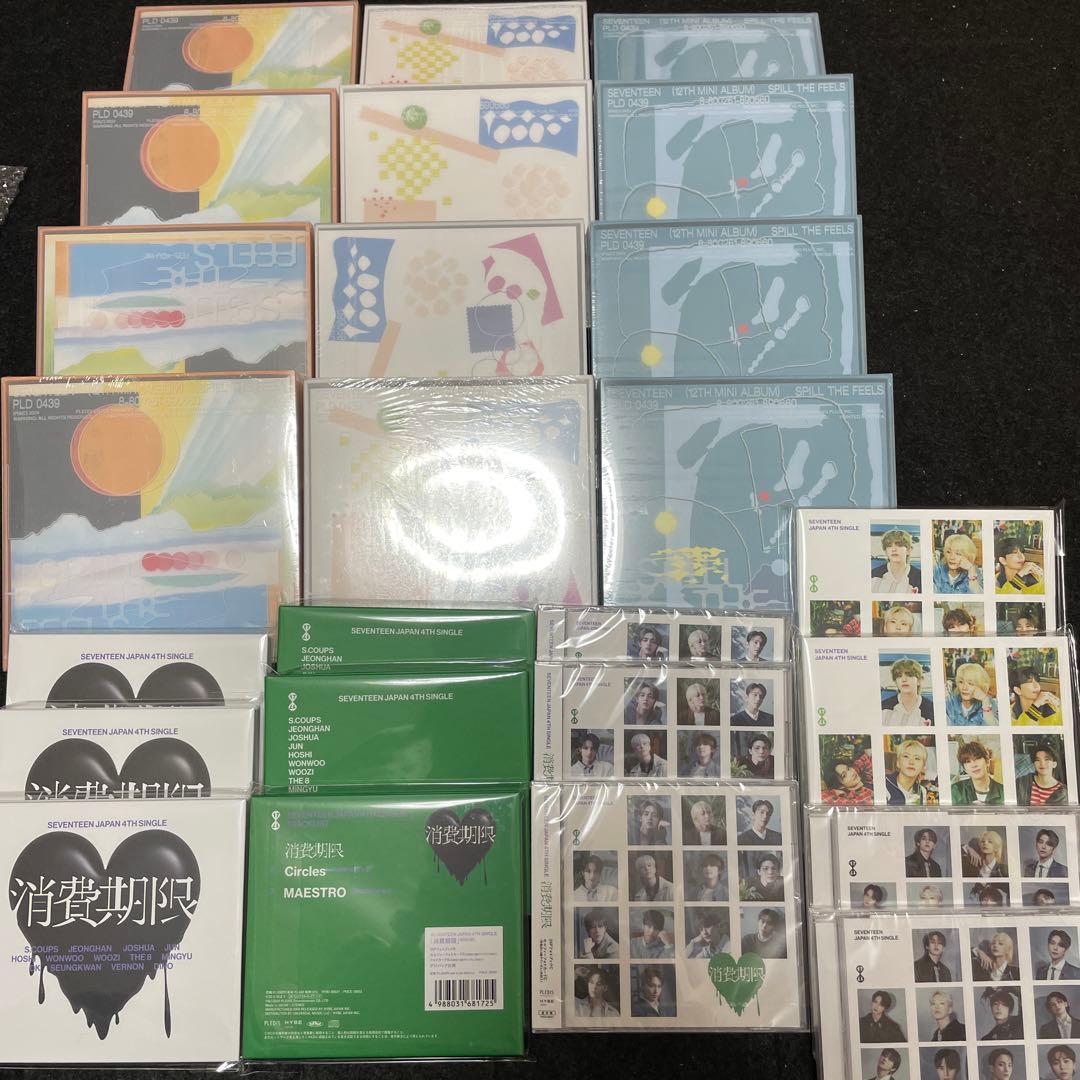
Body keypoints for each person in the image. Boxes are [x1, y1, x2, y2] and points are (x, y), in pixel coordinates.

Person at [881, 658, 934, 725]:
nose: (904, 679)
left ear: (919, 680)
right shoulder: (883, 707)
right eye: (899, 676)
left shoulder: (932, 709)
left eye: (909, 675)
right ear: (895, 681)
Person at [951, 739, 1005, 805]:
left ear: (987, 762)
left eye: (977, 758)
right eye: (968, 761)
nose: (974, 765)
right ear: (964, 769)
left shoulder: (1003, 792)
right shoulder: (956, 790)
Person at [885, 738, 937, 805]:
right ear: (898, 762)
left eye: (917, 758)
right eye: (906, 756)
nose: (911, 762)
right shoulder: (884, 785)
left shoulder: (922, 791)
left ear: (923, 766)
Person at [1017, 740, 1068, 806]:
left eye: (1047, 759)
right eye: (1038, 760)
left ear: (1054, 764)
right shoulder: (1022, 782)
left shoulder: (1063, 792)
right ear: (1034, 764)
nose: (1042, 763)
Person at [871, 528, 921, 593]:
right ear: (885, 551)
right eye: (889, 546)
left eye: (899, 545)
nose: (893, 549)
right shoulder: (873, 575)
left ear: (909, 550)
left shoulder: (920, 577)